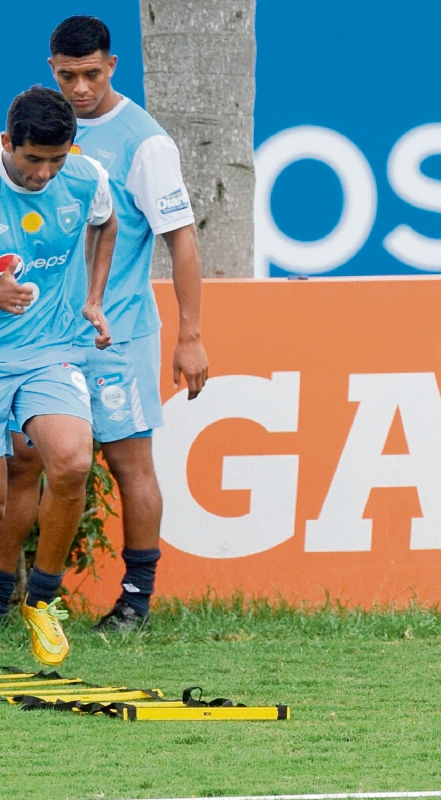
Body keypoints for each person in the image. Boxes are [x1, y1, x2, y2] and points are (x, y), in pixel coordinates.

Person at [0, 16, 208, 631]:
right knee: (24, 467)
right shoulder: (40, 127)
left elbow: (181, 240)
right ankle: (17, 599)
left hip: (117, 332)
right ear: (52, 71)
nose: (81, 87)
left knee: (127, 463)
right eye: (69, 75)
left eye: (92, 73)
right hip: (41, 337)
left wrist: (190, 335)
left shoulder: (144, 142)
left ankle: (136, 600)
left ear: (112, 66)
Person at [0, 86, 116, 665]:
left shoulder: (86, 177)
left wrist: (94, 299)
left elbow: (106, 223)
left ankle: (40, 599)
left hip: (49, 348)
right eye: (32, 160)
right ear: (6, 144)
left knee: (70, 464)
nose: (45, 172)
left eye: (56, 159)